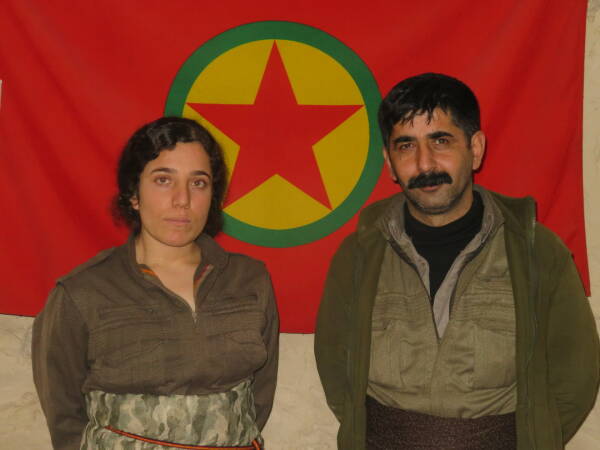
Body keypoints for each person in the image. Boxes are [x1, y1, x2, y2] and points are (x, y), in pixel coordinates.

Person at [314, 73, 599, 449]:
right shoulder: (358, 256)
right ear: (390, 163)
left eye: (441, 141)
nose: (424, 163)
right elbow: (337, 371)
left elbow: (575, 378)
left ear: (475, 148)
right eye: (406, 146)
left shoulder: (537, 252)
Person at [32, 117, 279, 450]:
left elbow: (260, 396)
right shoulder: (81, 293)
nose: (182, 199)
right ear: (134, 194)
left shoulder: (249, 280)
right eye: (164, 180)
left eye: (199, 183)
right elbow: (63, 413)